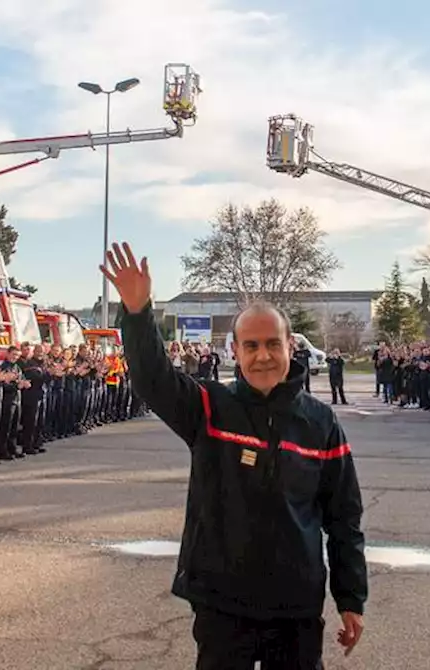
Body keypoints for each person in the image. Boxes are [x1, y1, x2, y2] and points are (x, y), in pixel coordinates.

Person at [102, 242, 366, 668]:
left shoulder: (320, 423)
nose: (263, 356)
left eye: (272, 344)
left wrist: (351, 597)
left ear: (289, 347)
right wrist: (137, 314)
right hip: (222, 603)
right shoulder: (209, 408)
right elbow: (153, 379)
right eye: (251, 346)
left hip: (295, 607)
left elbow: (343, 518)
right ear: (237, 352)